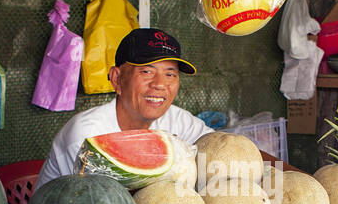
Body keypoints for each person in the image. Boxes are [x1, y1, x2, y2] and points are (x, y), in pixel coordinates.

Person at [36, 27, 290, 187]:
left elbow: (225, 151)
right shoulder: (86, 136)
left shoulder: (176, 120)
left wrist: (288, 176)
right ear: (116, 78)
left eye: (170, 74)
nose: (160, 84)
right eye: (147, 71)